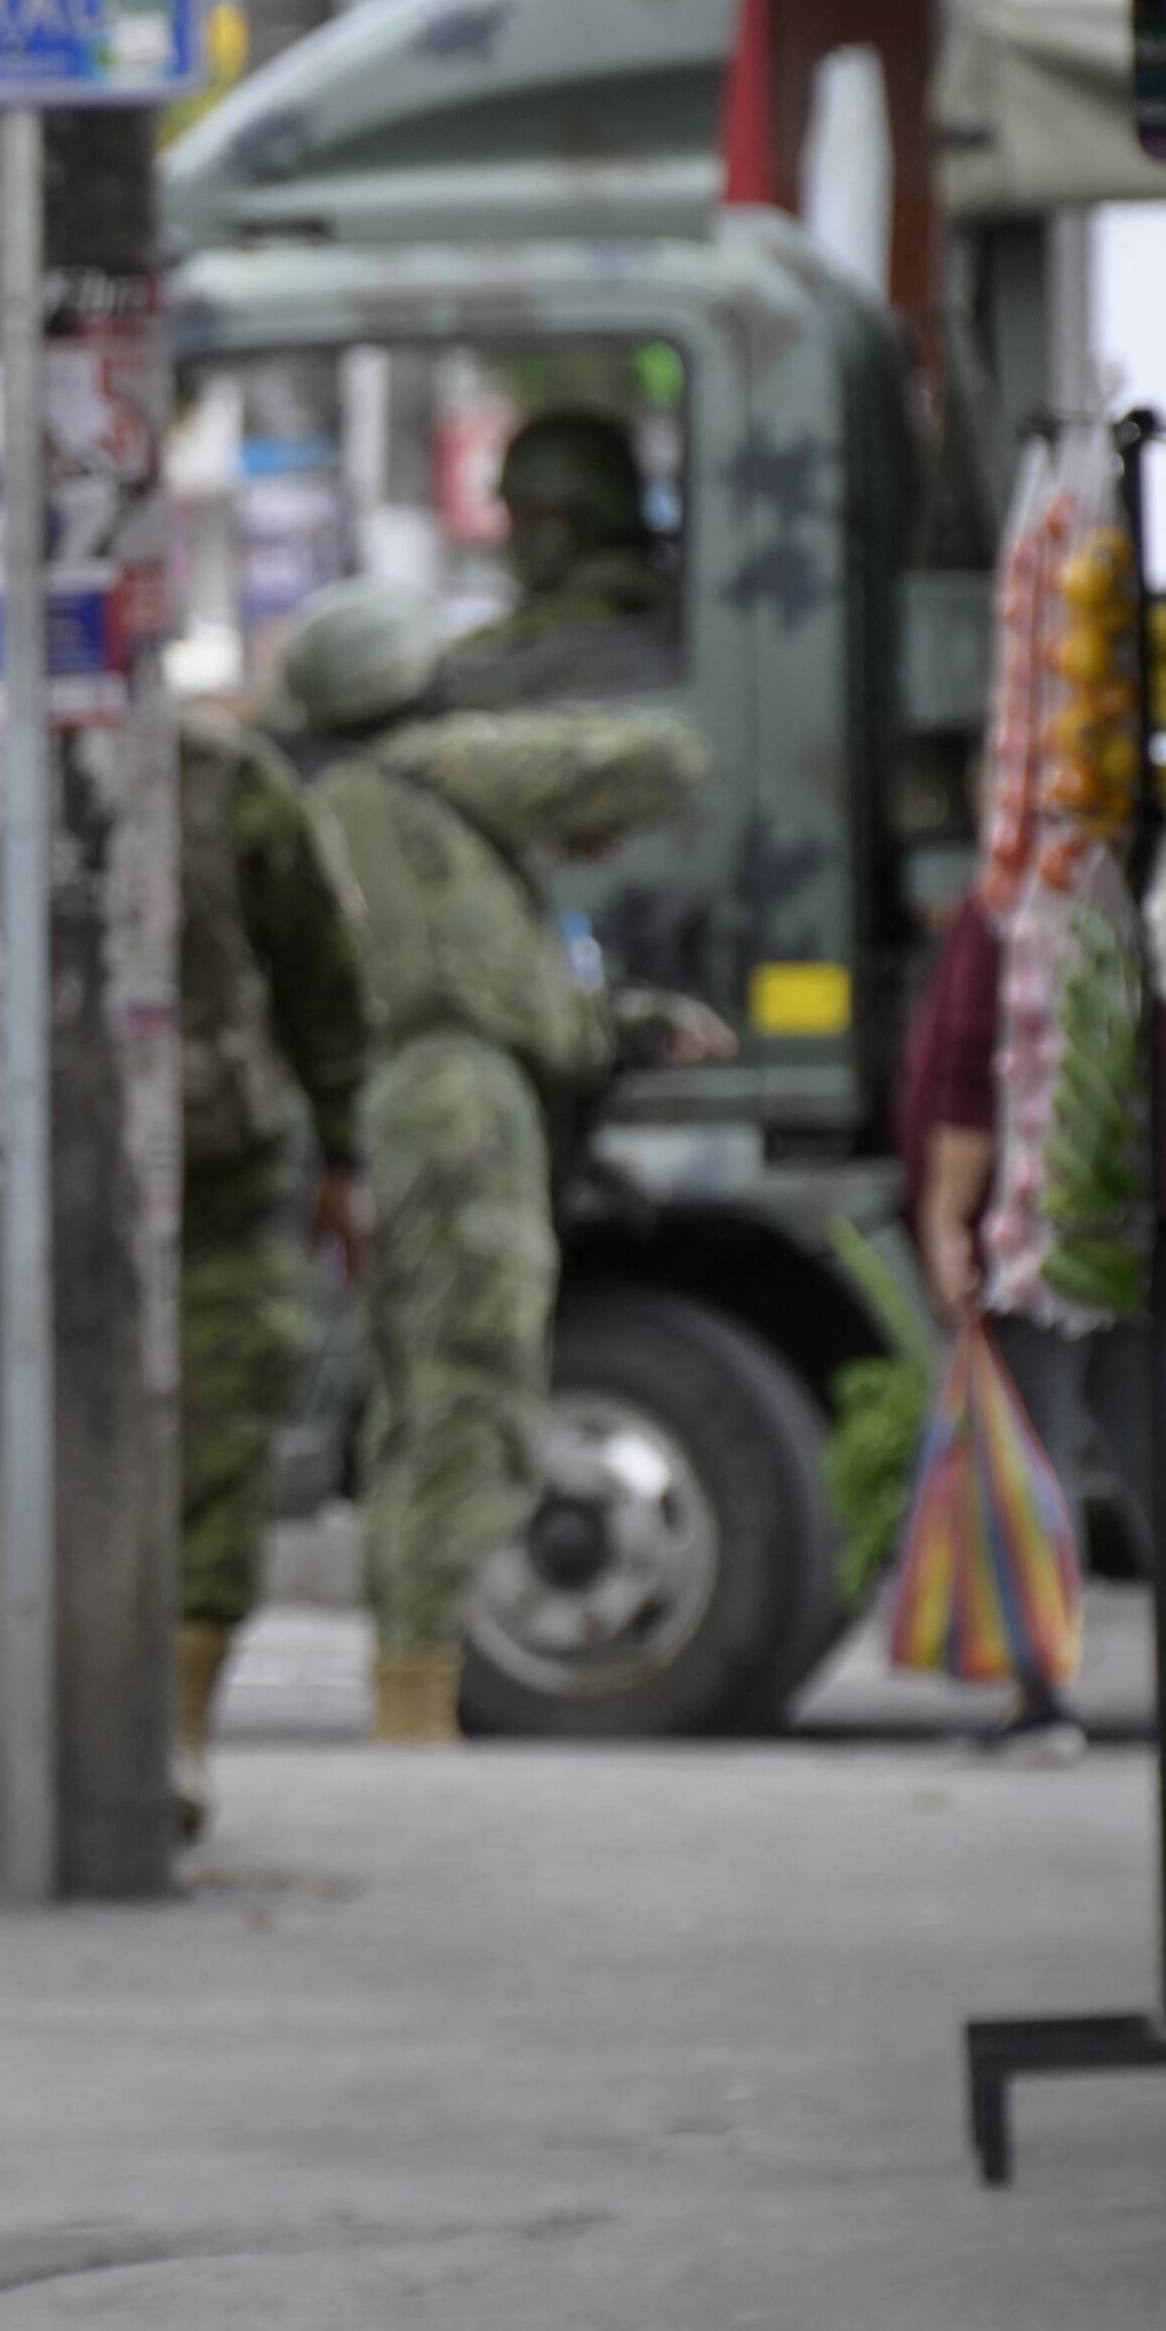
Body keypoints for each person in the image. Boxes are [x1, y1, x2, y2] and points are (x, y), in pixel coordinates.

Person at [281, 581, 720, 1744]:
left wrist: (618, 1025)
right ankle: (415, 1703)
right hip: (461, 1105)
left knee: (416, 1397)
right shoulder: (437, 767)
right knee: (466, 1390)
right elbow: (656, 759)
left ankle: (408, 1687)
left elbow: (465, 966)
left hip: (411, 1101)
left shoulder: (346, 806)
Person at [903, 838, 1166, 1769]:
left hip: (1037, 1236)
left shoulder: (1006, 904)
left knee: (1033, 1471)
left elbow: (966, 1069)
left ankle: (1044, 1702)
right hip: (1151, 1229)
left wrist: (944, 1216)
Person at [170, 699, 373, 1835]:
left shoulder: (228, 783)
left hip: (219, 1185)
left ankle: (175, 1735)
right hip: (40, 1201)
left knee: (222, 1441)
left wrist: (343, 1153)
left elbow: (318, 973)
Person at [445, 407, 676, 699]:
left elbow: (458, 677)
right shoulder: (662, 603)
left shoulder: (584, 622)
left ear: (562, 524)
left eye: (523, 515)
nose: (515, 538)